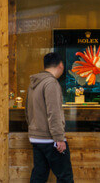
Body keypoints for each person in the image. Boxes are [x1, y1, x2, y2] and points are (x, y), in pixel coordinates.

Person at [26, 52, 73, 183]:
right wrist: (59, 138)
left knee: (39, 176)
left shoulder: (33, 84)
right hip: (50, 139)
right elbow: (54, 112)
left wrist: (33, 130)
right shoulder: (51, 83)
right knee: (65, 177)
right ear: (61, 66)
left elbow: (27, 111)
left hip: (36, 138)